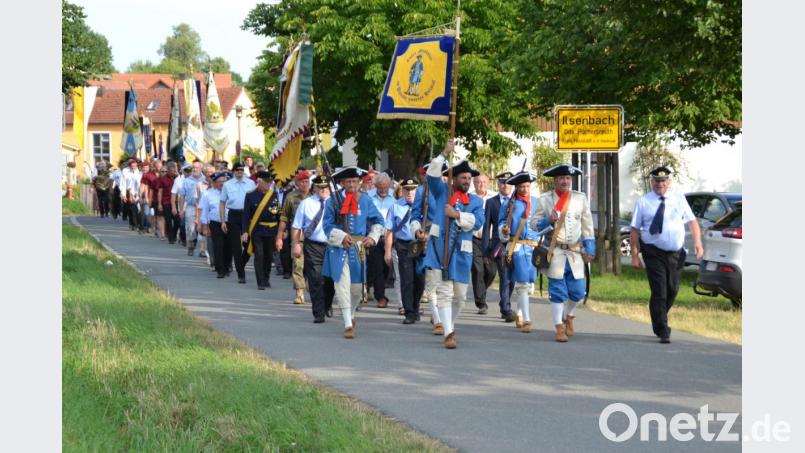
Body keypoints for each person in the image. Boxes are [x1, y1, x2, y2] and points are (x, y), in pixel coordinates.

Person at [411, 141, 485, 349]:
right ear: (454, 179)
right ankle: (449, 332)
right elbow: (432, 174)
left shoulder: (476, 201)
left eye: (469, 178)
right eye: (463, 177)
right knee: (444, 292)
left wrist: (457, 214)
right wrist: (444, 153)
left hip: (462, 253)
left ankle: (449, 324)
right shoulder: (441, 191)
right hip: (440, 249)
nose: (467, 181)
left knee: (460, 297)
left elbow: (478, 222)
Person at [629, 166, 703, 344]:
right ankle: (662, 328)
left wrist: (698, 243)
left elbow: (692, 221)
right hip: (653, 252)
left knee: (672, 289)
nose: (659, 184)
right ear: (651, 182)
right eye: (656, 181)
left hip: (676, 253)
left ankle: (659, 314)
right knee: (660, 290)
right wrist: (634, 254)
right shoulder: (644, 202)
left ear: (668, 182)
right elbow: (634, 230)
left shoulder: (678, 198)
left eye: (663, 181)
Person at [531, 163, 595, 342]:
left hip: (574, 252)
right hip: (555, 251)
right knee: (558, 290)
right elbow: (534, 225)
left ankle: (568, 315)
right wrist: (547, 220)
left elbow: (587, 226)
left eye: (568, 178)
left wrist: (589, 248)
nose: (565, 181)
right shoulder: (545, 199)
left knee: (578, 291)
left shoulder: (580, 198)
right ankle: (558, 326)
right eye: (561, 178)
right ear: (555, 181)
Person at [322, 166, 385, 339]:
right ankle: (348, 324)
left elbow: (379, 220)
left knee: (356, 290)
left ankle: (351, 315)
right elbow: (326, 226)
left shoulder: (365, 200)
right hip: (338, 249)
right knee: (341, 287)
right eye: (348, 181)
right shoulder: (332, 201)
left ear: (359, 182)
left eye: (355, 181)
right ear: (341, 183)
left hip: (358, 249)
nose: (352, 184)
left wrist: (372, 236)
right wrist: (341, 236)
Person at [498, 171, 540, 333]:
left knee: (529, 285)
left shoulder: (537, 202)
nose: (525, 189)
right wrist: (505, 229)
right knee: (522, 282)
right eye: (522, 186)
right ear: (516, 187)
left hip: (534, 247)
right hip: (518, 246)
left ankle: (520, 311)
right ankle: (527, 319)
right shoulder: (509, 204)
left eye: (527, 186)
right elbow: (502, 223)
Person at [293, 175, 335, 323]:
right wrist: (296, 244)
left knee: (330, 279)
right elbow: (297, 226)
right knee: (316, 278)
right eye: (320, 187)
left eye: (326, 187)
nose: (323, 190)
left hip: (332, 245)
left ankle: (327, 304)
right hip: (313, 245)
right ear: (315, 188)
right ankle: (318, 313)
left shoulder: (336, 202)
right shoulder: (306, 204)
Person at [385, 178, 425, 324]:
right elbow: (389, 231)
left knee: (420, 279)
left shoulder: (422, 206)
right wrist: (387, 251)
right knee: (407, 279)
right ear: (402, 191)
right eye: (407, 190)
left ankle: (416, 305)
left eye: (413, 189)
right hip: (403, 246)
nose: (410, 193)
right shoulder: (395, 207)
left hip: (420, 244)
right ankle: (409, 312)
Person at [482, 171, 515, 322]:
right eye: (502, 182)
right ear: (498, 185)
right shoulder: (491, 202)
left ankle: (504, 302)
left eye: (508, 182)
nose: (505, 185)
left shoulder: (517, 201)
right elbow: (486, 228)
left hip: (515, 245)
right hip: (498, 246)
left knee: (512, 278)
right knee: (505, 276)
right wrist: (485, 250)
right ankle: (506, 309)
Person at [242, 171, 281, 290]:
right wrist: (244, 231)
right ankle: (260, 281)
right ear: (259, 182)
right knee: (259, 255)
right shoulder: (250, 195)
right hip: (257, 230)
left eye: (270, 182)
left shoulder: (273, 194)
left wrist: (281, 230)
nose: (269, 184)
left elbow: (278, 212)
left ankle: (266, 278)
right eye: (266, 182)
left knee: (269, 256)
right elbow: (246, 215)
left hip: (271, 230)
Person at [277, 170, 311, 303]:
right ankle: (299, 292)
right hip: (297, 235)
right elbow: (284, 217)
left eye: (307, 181)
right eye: (302, 182)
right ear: (297, 183)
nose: (305, 184)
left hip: (313, 235)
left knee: (312, 264)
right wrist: (279, 236)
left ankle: (311, 285)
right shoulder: (290, 197)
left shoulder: (314, 196)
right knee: (298, 264)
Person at [219, 161, 257, 283]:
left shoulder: (251, 183)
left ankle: (241, 264)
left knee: (249, 244)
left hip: (248, 215)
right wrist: (223, 221)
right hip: (233, 215)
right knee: (235, 246)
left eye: (241, 169)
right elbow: (222, 203)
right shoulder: (227, 185)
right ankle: (241, 274)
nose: (240, 172)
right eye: (237, 170)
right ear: (233, 171)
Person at [368, 172, 396, 308]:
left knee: (387, 267)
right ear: (375, 185)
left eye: (385, 187)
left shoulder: (395, 197)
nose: (383, 190)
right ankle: (380, 296)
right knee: (377, 267)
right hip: (375, 237)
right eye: (380, 187)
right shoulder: (368, 196)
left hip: (390, 236)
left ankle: (380, 288)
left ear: (390, 184)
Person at [470, 172, 496, 314]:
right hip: (474, 239)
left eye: (484, 182)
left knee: (491, 271)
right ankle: (481, 303)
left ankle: (481, 291)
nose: (481, 185)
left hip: (491, 240)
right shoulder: (470, 198)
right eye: (479, 182)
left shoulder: (493, 197)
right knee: (478, 269)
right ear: (474, 184)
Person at [199, 171, 230, 277]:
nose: (222, 184)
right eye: (220, 182)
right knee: (218, 246)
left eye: (224, 182)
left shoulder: (230, 192)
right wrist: (205, 227)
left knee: (228, 246)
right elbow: (205, 212)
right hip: (215, 224)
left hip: (229, 223)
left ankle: (227, 267)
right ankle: (220, 269)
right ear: (215, 183)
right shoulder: (208, 194)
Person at [177, 161, 206, 256]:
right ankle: (190, 245)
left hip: (203, 207)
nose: (194, 169)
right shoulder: (187, 180)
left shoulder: (205, 180)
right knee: (190, 228)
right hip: (191, 207)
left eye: (197, 167)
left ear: (201, 169)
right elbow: (181, 196)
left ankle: (202, 250)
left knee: (203, 227)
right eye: (193, 167)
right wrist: (181, 210)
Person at [156, 162, 179, 243]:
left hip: (176, 202)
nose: (173, 172)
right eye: (171, 171)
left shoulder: (178, 178)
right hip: (166, 202)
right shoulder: (163, 179)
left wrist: (178, 174)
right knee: (168, 221)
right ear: (168, 171)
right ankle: (171, 238)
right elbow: (160, 192)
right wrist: (159, 204)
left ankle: (174, 234)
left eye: (174, 171)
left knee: (177, 221)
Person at [119, 158, 142, 231]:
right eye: (132, 165)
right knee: (131, 208)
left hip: (138, 192)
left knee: (136, 209)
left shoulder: (140, 172)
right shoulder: (125, 171)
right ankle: (133, 223)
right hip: (128, 192)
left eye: (135, 164)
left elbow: (140, 184)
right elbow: (123, 183)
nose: (133, 166)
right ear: (129, 165)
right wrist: (123, 194)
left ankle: (136, 223)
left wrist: (139, 195)